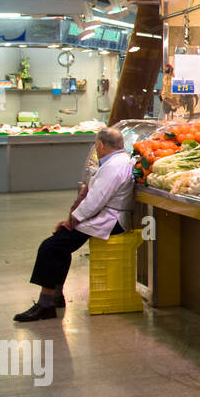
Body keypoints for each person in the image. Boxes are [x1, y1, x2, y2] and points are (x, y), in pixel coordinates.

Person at [16, 126, 135, 322]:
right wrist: (74, 219)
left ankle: (45, 304)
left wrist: (72, 220)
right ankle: (55, 296)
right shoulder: (118, 161)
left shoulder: (114, 165)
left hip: (110, 220)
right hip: (103, 215)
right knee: (59, 246)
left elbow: (96, 200)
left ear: (100, 145)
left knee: (50, 247)